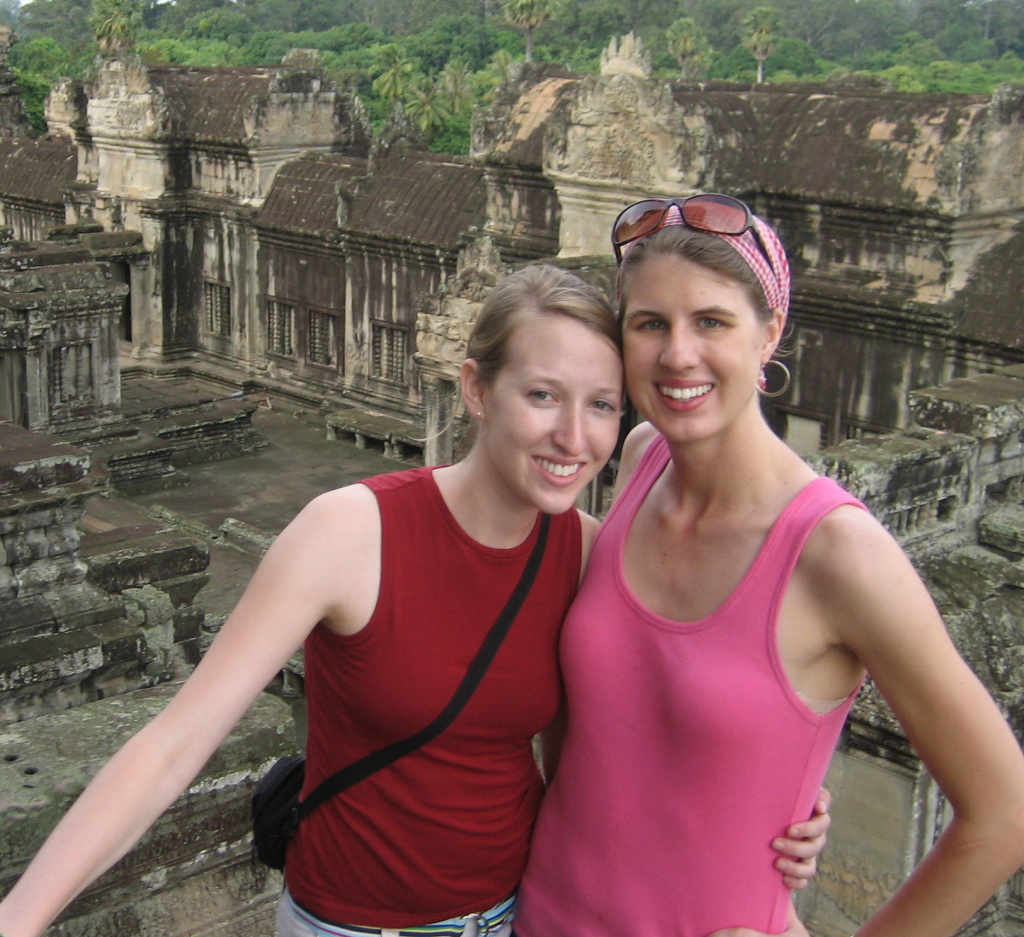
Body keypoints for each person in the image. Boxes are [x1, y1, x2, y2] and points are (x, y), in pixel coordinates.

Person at [0, 263, 826, 937]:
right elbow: (173, 745)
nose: (575, 439)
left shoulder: (583, 550)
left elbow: (637, 733)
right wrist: (22, 915)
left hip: (513, 917)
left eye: (602, 405)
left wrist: (777, 805)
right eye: (542, 395)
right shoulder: (351, 532)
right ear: (475, 389)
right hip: (350, 926)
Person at [514, 195, 1024, 937]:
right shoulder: (639, 460)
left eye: (712, 322)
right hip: (541, 916)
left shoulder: (836, 551)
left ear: (770, 334)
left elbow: (1004, 813)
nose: (678, 354)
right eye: (650, 323)